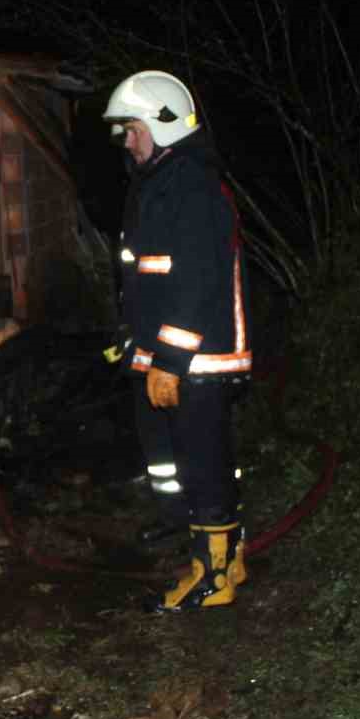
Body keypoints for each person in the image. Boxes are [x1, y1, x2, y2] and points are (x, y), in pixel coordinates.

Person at [104, 70, 251, 611]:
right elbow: (151, 277)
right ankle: (224, 557)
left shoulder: (188, 183)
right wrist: (135, 342)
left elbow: (194, 280)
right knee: (191, 457)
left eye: (132, 129)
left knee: (201, 460)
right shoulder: (165, 181)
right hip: (178, 356)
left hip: (197, 359)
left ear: (161, 126)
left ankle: (213, 576)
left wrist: (169, 359)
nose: (126, 140)